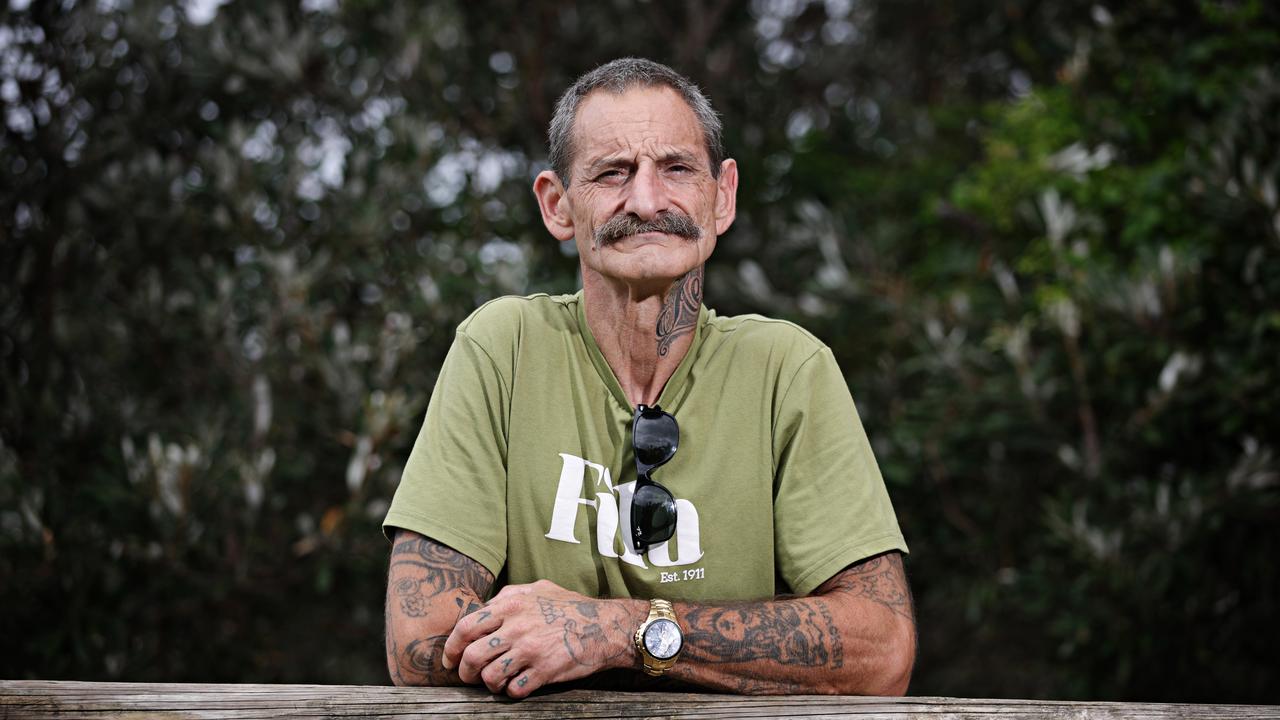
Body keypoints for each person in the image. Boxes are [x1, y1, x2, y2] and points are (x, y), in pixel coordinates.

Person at [383, 57, 915, 698]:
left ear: (723, 196)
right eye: (613, 172)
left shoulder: (787, 369)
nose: (646, 200)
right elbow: (417, 637)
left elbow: (882, 647)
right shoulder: (504, 349)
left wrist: (619, 631)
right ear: (557, 205)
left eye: (677, 168)